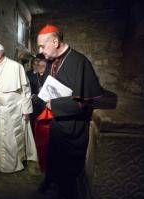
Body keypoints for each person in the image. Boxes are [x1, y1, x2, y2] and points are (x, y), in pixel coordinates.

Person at [36, 24, 103, 198]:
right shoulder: (51, 62)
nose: (40, 50)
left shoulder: (80, 62)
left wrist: (54, 105)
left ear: (55, 41)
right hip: (55, 123)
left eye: (43, 46)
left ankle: (65, 191)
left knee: (67, 170)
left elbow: (85, 103)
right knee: (52, 156)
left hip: (72, 127)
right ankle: (49, 179)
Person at [0, 42, 38, 173]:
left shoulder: (15, 67)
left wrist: (26, 110)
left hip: (13, 110)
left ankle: (14, 165)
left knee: (11, 139)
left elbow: (25, 90)